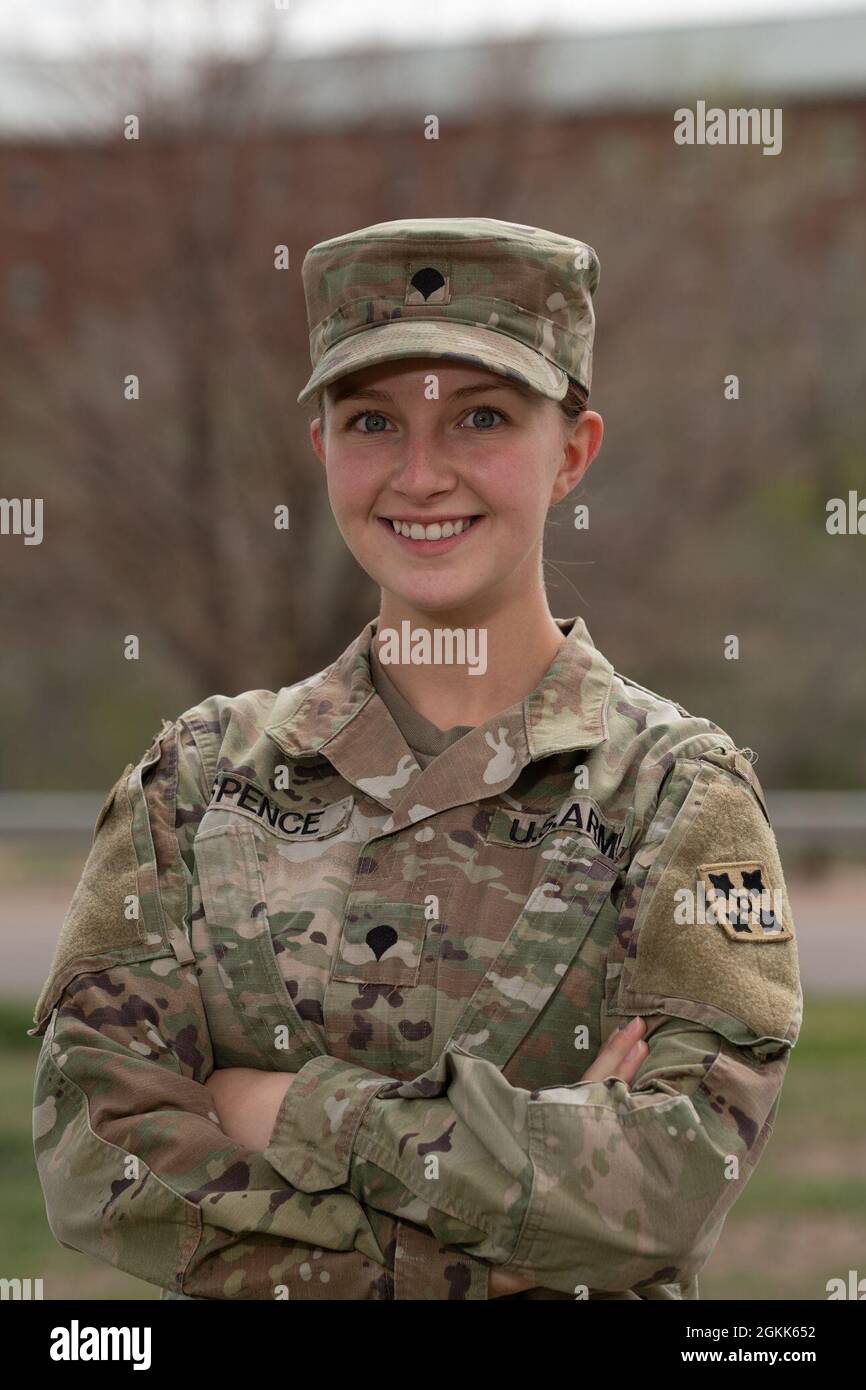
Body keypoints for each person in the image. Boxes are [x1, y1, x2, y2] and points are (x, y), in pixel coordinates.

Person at [30, 217, 802, 1301]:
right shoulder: (198, 782)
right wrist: (514, 1221)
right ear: (322, 451)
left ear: (571, 451)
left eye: (480, 417)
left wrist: (286, 1108)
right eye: (371, 422)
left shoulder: (676, 798)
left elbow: (667, 1185)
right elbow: (95, 1157)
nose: (421, 473)